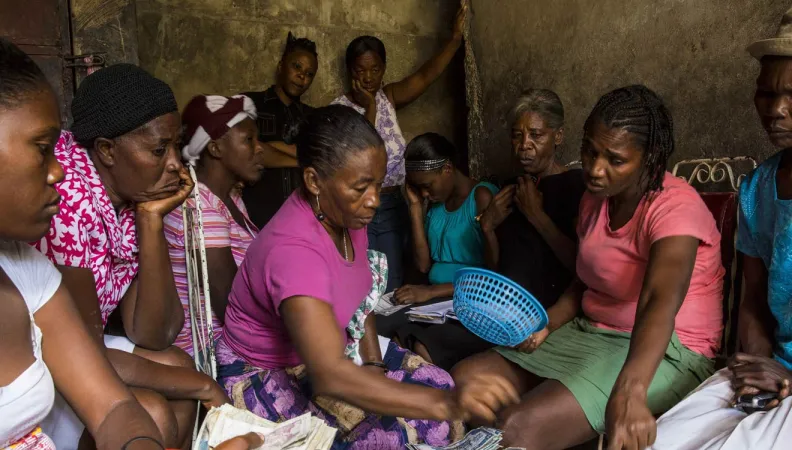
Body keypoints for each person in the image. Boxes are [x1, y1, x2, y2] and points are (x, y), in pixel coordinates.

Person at [216, 105, 518, 449]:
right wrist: (443, 406)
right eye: (361, 187)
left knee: (440, 384)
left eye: (377, 183)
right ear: (314, 180)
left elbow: (362, 296)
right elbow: (329, 374)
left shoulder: (346, 214)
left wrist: (374, 364)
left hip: (329, 353)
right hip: (269, 371)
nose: (374, 200)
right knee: (391, 435)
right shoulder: (294, 252)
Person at [452, 85, 725, 450]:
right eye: (590, 151)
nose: (595, 169)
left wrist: (631, 390)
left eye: (615, 160)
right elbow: (586, 281)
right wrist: (547, 323)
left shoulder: (675, 206)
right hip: (592, 332)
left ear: (649, 156)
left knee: (516, 428)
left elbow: (660, 299)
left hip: (668, 349)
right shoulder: (594, 200)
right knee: (466, 382)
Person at [33, 64, 229, 450]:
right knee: (155, 408)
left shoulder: (126, 195)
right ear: (107, 150)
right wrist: (205, 384)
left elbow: (154, 334)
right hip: (42, 359)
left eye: (176, 145)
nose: (176, 163)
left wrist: (150, 219)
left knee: (177, 364)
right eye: (159, 150)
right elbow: (82, 352)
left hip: (88, 345)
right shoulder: (69, 203)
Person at [0, 37, 165, 450]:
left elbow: (112, 408)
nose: (58, 172)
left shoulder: (25, 270)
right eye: (42, 149)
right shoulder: (73, 211)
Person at [650, 12, 792, 449]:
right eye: (766, 94)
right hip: (776, 370)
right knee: (657, 441)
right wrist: (755, 368)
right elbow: (752, 299)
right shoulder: (758, 190)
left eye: (791, 94)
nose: (775, 109)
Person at [393, 90, 586, 371]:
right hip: (498, 309)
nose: (524, 145)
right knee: (403, 333)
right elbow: (497, 270)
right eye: (517, 135)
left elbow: (581, 268)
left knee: (424, 348)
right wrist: (488, 227)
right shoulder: (511, 189)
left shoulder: (574, 186)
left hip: (538, 313)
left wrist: (537, 216)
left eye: (536, 135)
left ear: (558, 136)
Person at [331, 3, 468, 293]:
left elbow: (424, 77)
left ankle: (393, 336)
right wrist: (368, 106)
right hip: (364, 207)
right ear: (349, 71)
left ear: (383, 69)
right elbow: (362, 152)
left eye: (375, 69)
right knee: (369, 286)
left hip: (397, 203)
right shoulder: (339, 110)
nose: (368, 78)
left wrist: (454, 40)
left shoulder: (388, 95)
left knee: (396, 280)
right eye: (360, 70)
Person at [383, 133, 496, 369]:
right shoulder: (435, 204)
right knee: (378, 326)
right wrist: (415, 208)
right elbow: (424, 265)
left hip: (468, 300)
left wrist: (430, 291)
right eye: (417, 188)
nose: (424, 193)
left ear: (447, 169)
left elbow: (493, 274)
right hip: (436, 301)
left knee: (410, 343)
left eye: (427, 186)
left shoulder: (482, 197)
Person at [164, 94, 264, 356]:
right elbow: (233, 309)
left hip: (238, 339)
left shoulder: (230, 198)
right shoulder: (200, 209)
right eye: (248, 140)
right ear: (215, 148)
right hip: (213, 351)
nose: (259, 148)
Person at [243, 32, 318, 228]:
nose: (302, 76)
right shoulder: (250, 104)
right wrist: (302, 160)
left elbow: (320, 160)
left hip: (300, 223)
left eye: (309, 74)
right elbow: (250, 153)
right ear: (280, 66)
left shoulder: (314, 117)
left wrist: (271, 149)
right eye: (297, 67)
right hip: (255, 219)